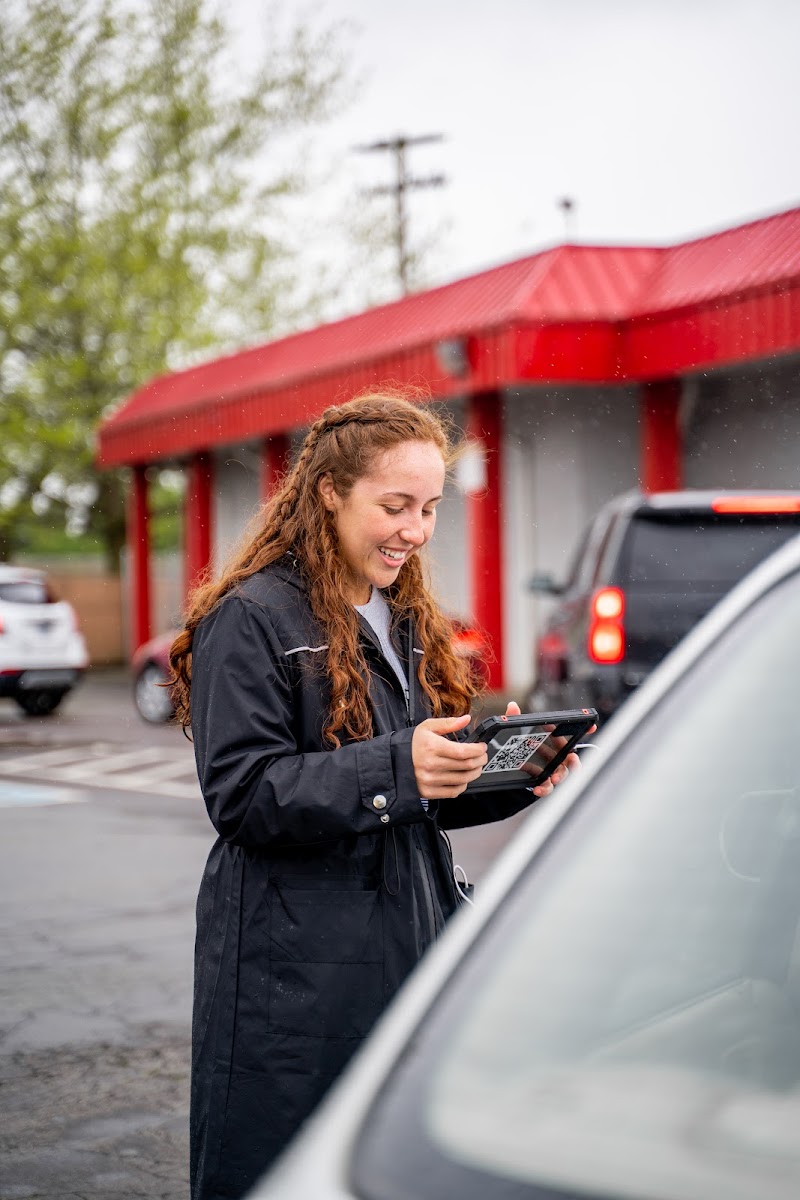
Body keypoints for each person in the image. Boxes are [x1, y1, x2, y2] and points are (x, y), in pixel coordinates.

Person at [170, 388, 583, 1200]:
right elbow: (245, 796)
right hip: (289, 970)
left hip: (408, 941)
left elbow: (419, 788)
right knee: (282, 1170)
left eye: (429, 508)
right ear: (328, 491)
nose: (417, 531)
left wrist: (509, 778)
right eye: (395, 506)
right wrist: (402, 768)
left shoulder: (402, 615)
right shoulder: (249, 617)